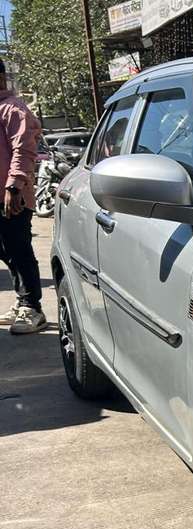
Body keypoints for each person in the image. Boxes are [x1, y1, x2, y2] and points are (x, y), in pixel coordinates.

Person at [0, 58, 44, 335]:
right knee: (7, 251)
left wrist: (13, 186)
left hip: (11, 196)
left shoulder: (13, 109)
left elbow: (24, 149)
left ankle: (32, 307)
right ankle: (21, 299)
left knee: (19, 249)